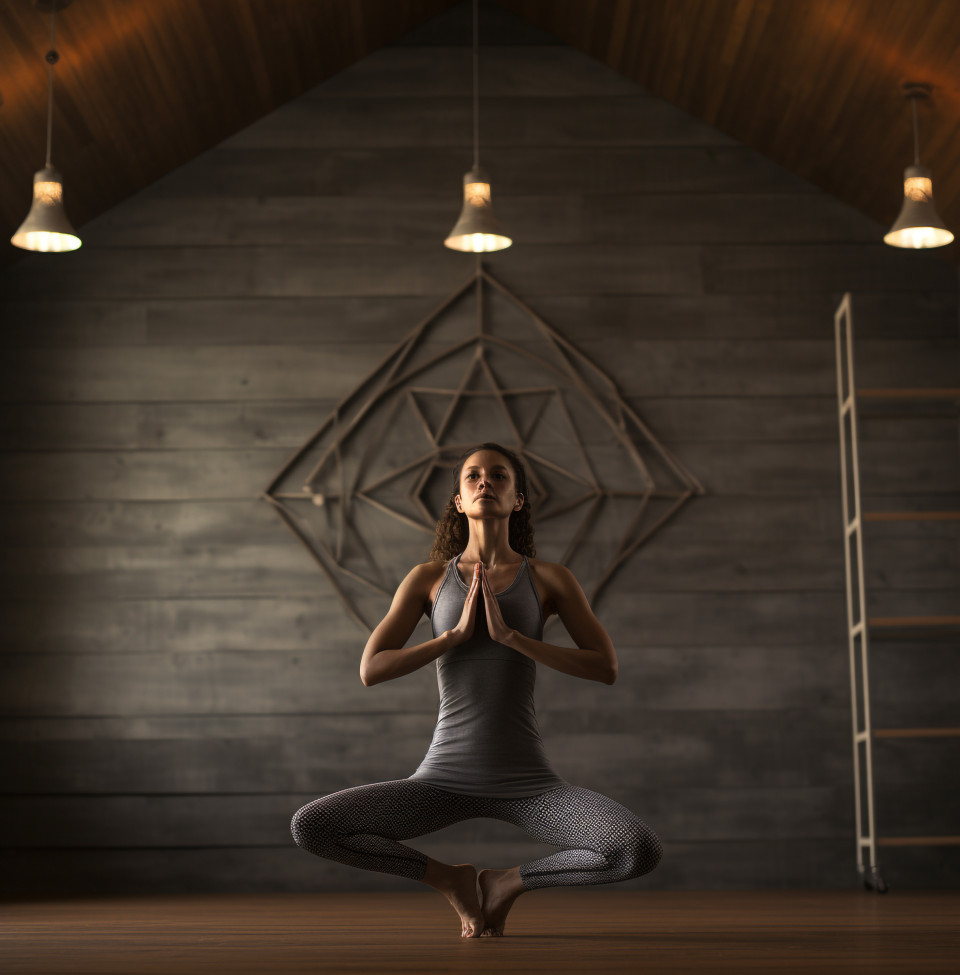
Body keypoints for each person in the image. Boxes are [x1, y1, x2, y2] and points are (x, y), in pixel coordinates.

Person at [291, 442, 662, 937]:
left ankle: (508, 882)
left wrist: (515, 639)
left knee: (636, 848)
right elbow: (371, 668)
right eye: (473, 476)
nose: (485, 481)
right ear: (459, 501)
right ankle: (450, 879)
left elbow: (605, 666)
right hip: (441, 782)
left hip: (530, 786)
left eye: (499, 475)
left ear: (518, 499)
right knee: (312, 826)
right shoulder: (428, 579)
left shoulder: (550, 578)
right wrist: (451, 638)